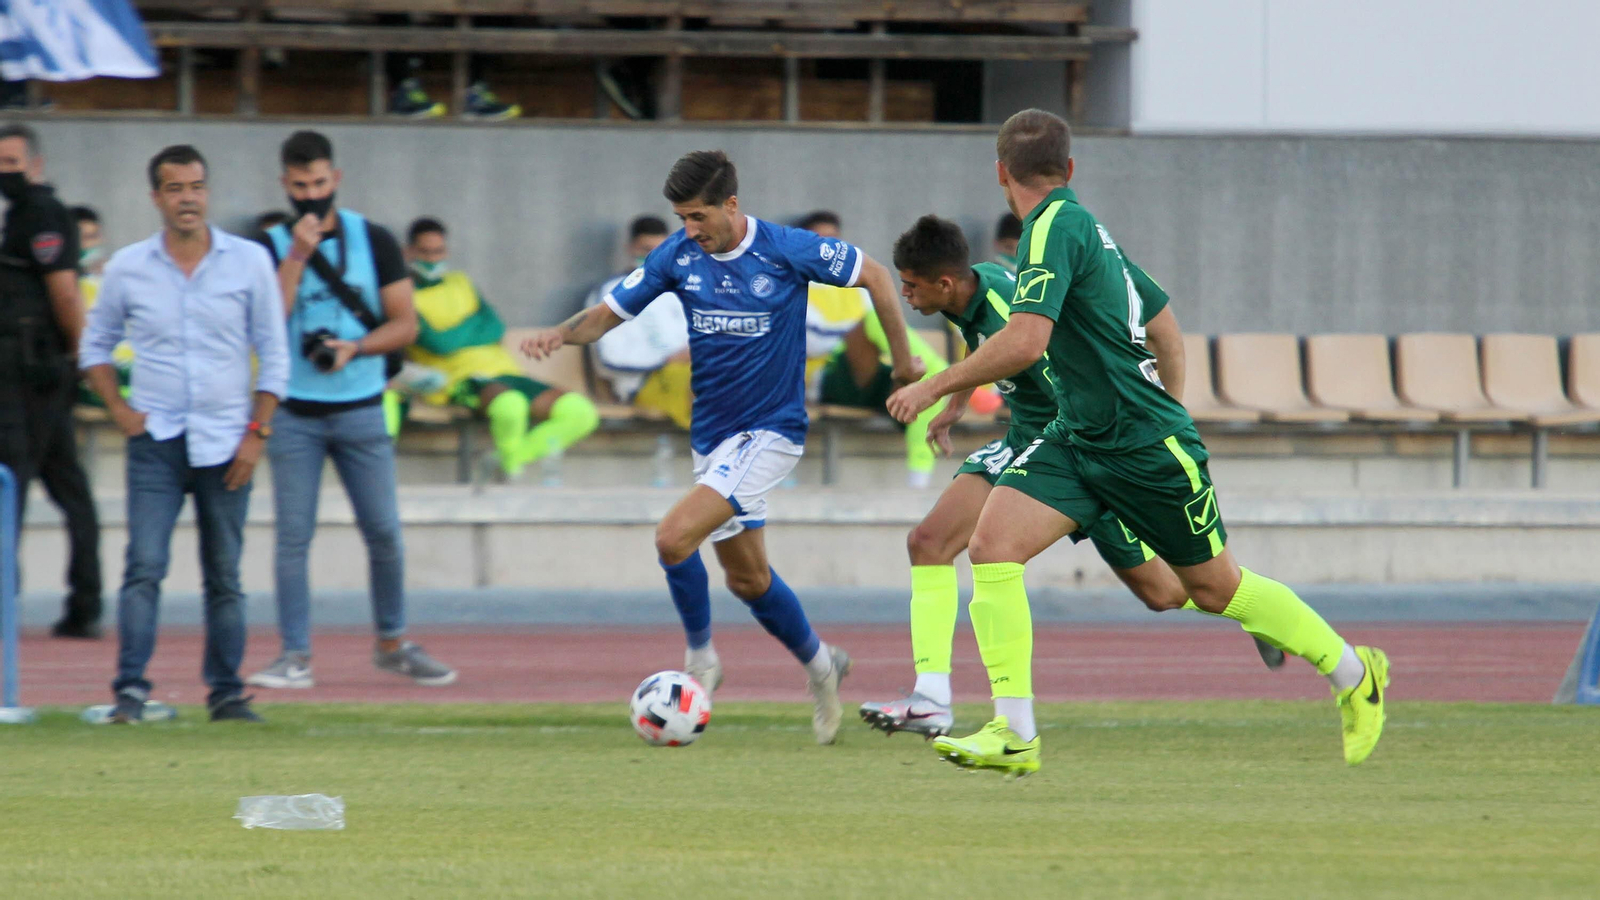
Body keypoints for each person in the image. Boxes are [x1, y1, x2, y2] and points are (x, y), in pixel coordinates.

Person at [886, 110, 1388, 775]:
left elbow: (1026, 341)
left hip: (1141, 446)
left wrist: (933, 387)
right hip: (1076, 438)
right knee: (991, 547)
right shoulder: (1086, 229)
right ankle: (1015, 732)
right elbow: (1166, 329)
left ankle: (1355, 673)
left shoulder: (1053, 230)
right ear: (1069, 169)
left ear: (1001, 174)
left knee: (1211, 589)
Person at [521, 150, 923, 744]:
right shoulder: (677, 256)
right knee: (748, 580)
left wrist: (904, 362)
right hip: (712, 436)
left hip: (771, 431)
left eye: (697, 216)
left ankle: (700, 659)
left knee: (672, 537)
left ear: (730, 205)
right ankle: (823, 667)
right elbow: (607, 316)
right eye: (681, 218)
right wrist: (559, 334)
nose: (690, 230)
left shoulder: (786, 249)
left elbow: (877, 277)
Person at [859, 215, 1283, 737]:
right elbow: (987, 347)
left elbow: (1056, 372)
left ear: (944, 283)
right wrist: (955, 404)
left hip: (1078, 452)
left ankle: (1250, 605)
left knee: (1164, 593)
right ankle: (931, 699)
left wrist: (1096, 458)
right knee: (928, 542)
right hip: (1022, 442)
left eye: (910, 285)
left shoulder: (999, 301)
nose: (903, 294)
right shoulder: (975, 287)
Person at [81, 144, 290, 723]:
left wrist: (257, 433)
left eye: (196, 187)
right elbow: (94, 345)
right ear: (156, 197)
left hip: (227, 440)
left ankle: (226, 693)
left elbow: (274, 352)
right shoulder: (128, 267)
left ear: (207, 191)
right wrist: (118, 409)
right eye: (175, 189)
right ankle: (130, 692)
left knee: (224, 575)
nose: (187, 199)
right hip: (158, 440)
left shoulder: (249, 262)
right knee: (144, 567)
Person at [247, 130, 456, 690]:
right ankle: (295, 654)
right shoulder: (266, 245)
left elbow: (404, 325)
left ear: (335, 179)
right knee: (293, 538)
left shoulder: (374, 239)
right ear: (284, 185)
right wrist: (297, 254)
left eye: (319, 183)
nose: (311, 195)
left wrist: (355, 348)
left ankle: (392, 642)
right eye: (299, 186)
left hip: (361, 406)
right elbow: (266, 321)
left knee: (384, 532)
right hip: (294, 412)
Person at [0, 124, 102, 640]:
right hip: (34, 372)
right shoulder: (18, 214)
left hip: (29, 374)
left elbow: (65, 294)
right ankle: (85, 604)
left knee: (9, 486)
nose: (5, 172)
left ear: (36, 165)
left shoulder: (41, 213)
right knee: (69, 487)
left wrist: (84, 356)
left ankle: (7, 602)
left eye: (12, 162)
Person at [402, 216, 598, 479]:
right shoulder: (402, 294)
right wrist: (474, 324)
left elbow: (495, 326)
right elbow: (438, 344)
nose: (432, 259)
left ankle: (507, 461)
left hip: (505, 370)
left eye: (438, 251)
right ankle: (510, 470)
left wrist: (455, 333)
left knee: (580, 412)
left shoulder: (461, 282)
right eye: (425, 252)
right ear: (409, 252)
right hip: (457, 379)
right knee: (510, 407)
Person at [797, 211, 949, 488]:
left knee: (923, 387)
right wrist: (850, 332)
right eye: (821, 239)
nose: (830, 247)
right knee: (874, 319)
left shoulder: (853, 286)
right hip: (824, 376)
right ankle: (936, 371)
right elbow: (808, 342)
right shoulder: (799, 283)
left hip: (867, 370)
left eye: (835, 239)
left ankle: (918, 482)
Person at [590, 215, 692, 427]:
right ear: (630, 248)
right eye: (646, 249)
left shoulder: (677, 290)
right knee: (709, 381)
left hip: (687, 369)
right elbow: (608, 359)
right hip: (642, 384)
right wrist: (667, 360)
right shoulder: (610, 293)